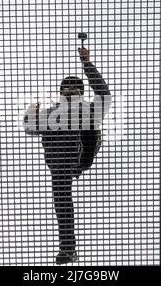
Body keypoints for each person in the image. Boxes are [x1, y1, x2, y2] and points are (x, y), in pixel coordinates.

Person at [23, 47, 112, 265]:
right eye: (67, 88)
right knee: (61, 196)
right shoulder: (51, 112)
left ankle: (79, 154)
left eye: (75, 87)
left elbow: (104, 95)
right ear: (61, 92)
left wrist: (87, 64)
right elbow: (29, 127)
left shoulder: (88, 107)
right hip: (59, 161)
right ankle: (68, 249)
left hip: (82, 151)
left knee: (90, 119)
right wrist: (30, 112)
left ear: (81, 92)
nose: (71, 89)